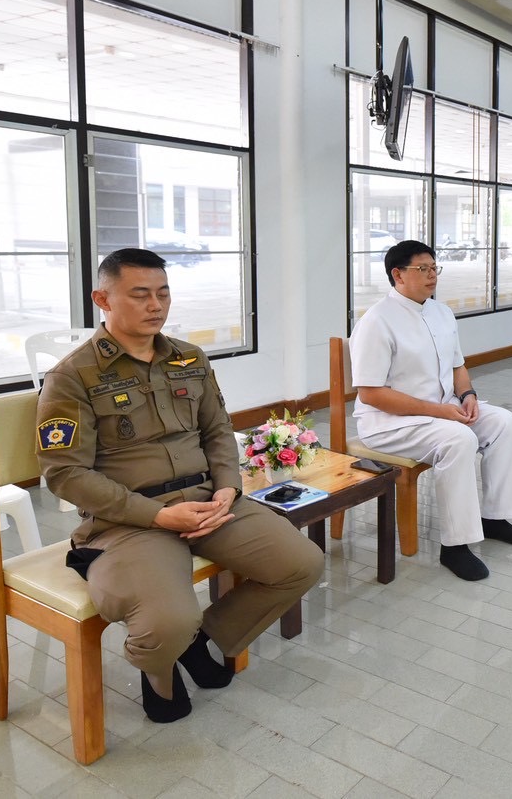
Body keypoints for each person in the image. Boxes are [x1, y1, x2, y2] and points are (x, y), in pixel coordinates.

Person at [39, 249, 323, 723]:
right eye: (140, 294)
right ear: (102, 299)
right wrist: (156, 515)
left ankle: (200, 640)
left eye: (163, 293)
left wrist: (228, 487)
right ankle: (159, 670)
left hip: (209, 503)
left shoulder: (189, 358)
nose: (156, 305)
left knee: (301, 564)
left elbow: (217, 430)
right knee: (166, 622)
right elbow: (64, 473)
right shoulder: (73, 376)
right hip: (131, 520)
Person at [349, 240, 512, 582]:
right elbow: (371, 394)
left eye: (434, 268)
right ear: (398, 275)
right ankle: (455, 546)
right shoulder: (377, 321)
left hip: (442, 411)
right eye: (423, 269)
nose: (432, 275)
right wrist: (440, 411)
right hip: (390, 424)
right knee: (459, 440)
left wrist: (468, 394)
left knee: (504, 422)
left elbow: (457, 366)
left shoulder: (441, 312)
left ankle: (494, 518)